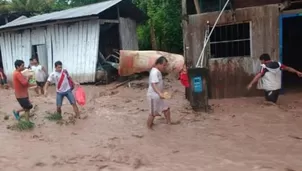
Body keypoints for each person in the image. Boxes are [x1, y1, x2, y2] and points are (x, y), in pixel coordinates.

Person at [146, 56, 171, 129]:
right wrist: (160, 93)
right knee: (153, 114)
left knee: (166, 108)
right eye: (164, 65)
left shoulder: (157, 71)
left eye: (165, 65)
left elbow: (158, 84)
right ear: (158, 64)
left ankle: (169, 124)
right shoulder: (154, 72)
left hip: (159, 95)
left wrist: (161, 93)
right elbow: (153, 84)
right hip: (153, 96)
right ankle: (149, 128)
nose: (165, 67)